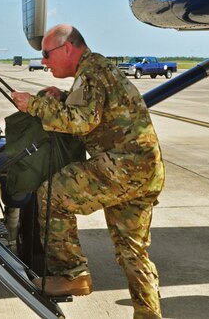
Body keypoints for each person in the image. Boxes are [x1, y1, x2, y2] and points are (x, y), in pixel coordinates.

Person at [11, 24, 165, 318]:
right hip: (145, 172)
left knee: (52, 193)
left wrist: (34, 105)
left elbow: (82, 121)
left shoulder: (91, 71)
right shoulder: (96, 69)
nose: (43, 61)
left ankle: (71, 273)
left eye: (46, 54)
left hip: (122, 168)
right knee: (132, 253)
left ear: (67, 48)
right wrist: (64, 95)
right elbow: (94, 108)